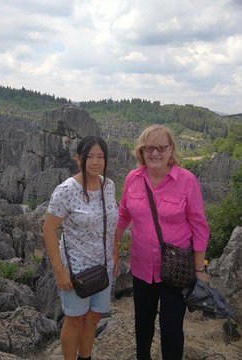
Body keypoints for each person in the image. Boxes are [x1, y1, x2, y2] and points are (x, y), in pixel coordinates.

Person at [113, 125, 209, 360]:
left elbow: (199, 227)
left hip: (176, 269)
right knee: (142, 324)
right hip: (142, 267)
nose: (155, 153)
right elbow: (123, 216)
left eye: (161, 148)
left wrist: (200, 269)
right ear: (142, 151)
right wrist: (114, 249)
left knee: (172, 327)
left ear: (171, 150)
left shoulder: (187, 181)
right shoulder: (133, 179)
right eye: (149, 148)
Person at [43, 135, 119, 360]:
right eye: (90, 156)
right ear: (79, 159)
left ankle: (85, 357)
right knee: (75, 319)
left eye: (100, 157)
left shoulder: (109, 186)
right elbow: (48, 230)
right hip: (76, 270)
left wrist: (115, 252)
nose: (95, 162)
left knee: (94, 317)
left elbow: (111, 221)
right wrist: (59, 270)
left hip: (104, 266)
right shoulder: (66, 190)